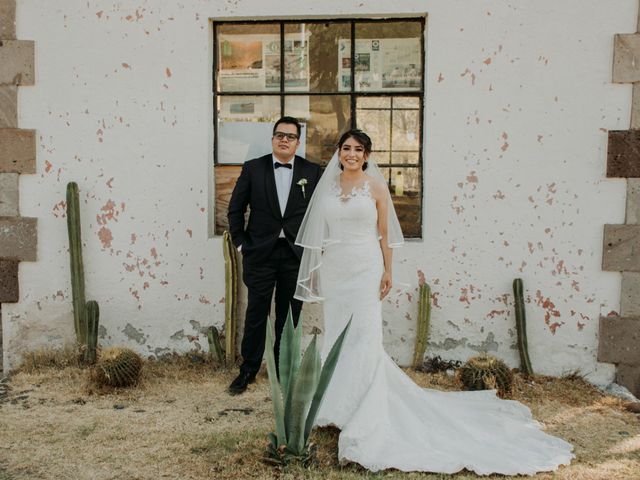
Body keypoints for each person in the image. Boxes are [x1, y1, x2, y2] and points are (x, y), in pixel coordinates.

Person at [294, 129, 574, 475]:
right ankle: (332, 405)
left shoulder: (377, 187)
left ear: (367, 155)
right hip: (336, 268)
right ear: (338, 151)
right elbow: (317, 232)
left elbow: (384, 233)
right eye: (346, 148)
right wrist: (321, 269)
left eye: (359, 149)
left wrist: (388, 271)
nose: (352, 154)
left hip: (365, 267)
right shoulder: (329, 187)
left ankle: (365, 409)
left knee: (364, 335)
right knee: (336, 332)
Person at [226, 116, 322, 395]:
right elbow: (235, 209)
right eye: (279, 135)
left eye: (290, 136)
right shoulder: (254, 168)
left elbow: (320, 214)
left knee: (289, 314)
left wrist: (315, 246)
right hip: (260, 254)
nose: (284, 139)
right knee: (256, 312)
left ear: (298, 142)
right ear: (272, 139)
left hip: (295, 254)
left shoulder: (312, 171)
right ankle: (248, 370)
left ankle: (282, 369)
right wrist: (242, 244)